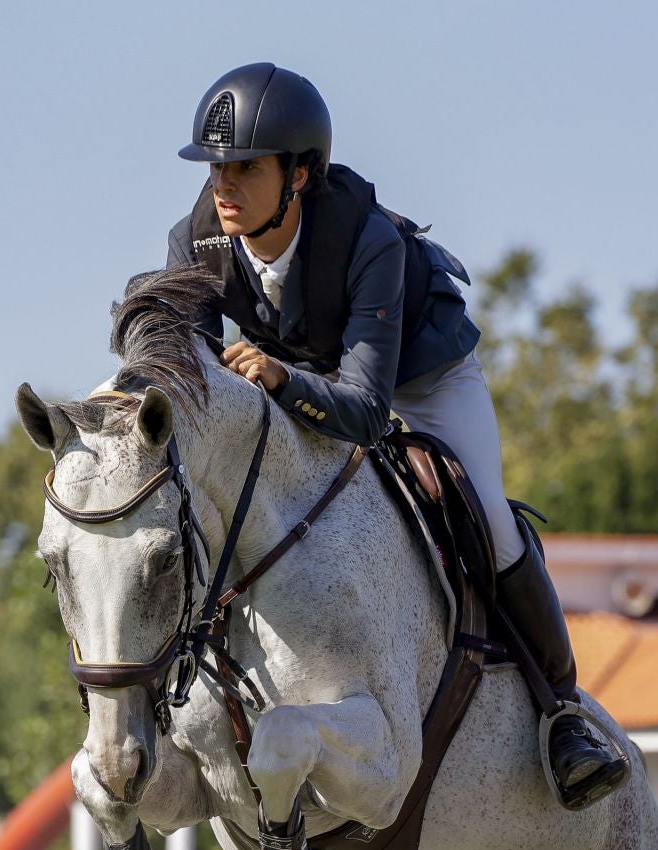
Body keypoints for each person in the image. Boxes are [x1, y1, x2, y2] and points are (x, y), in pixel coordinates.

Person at [164, 62, 627, 811]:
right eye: (218, 167)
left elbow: (369, 413)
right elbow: (188, 378)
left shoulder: (367, 238)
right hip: (300, 368)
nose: (225, 186)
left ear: (301, 175)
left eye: (246, 167)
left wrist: (279, 382)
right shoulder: (197, 240)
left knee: (489, 519)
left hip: (420, 375)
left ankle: (565, 718)